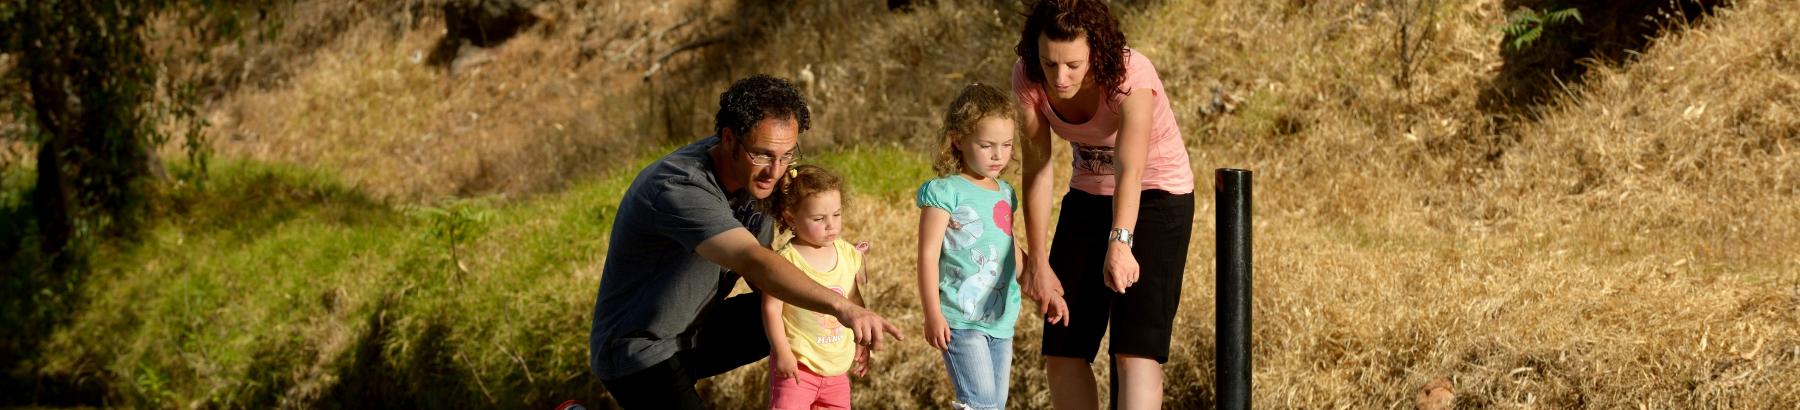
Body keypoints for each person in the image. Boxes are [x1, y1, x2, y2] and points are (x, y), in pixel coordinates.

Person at [588, 75, 903, 409]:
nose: (776, 170)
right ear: (728, 139)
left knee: (784, 309)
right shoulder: (679, 188)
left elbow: (767, 281)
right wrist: (843, 308)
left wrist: (842, 331)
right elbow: (753, 261)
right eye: (763, 155)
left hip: (694, 332)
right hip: (638, 350)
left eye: (786, 155)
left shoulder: (765, 179)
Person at [1011, 1, 1197, 409]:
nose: (1061, 78)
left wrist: (1121, 241)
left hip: (1157, 194)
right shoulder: (1028, 74)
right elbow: (1038, 168)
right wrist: (1039, 261)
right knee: (1062, 345)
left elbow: (1130, 169)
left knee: (1135, 348)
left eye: (1074, 65)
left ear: (1096, 51)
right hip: (1087, 195)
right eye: (1050, 63)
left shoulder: (1131, 74)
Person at [915, 83, 1068, 410]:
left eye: (1007, 145)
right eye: (986, 145)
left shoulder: (1005, 193)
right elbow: (927, 255)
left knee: (994, 405)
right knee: (980, 402)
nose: (998, 155)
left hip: (1001, 319)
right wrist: (932, 313)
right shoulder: (945, 192)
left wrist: (1043, 291)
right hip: (960, 317)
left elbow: (1007, 247)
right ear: (958, 140)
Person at [762, 165, 870, 410]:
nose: (831, 225)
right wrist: (782, 353)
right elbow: (771, 309)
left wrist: (861, 343)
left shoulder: (847, 254)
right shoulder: (784, 262)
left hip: (836, 369)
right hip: (798, 367)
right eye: (819, 219)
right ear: (791, 218)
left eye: (837, 215)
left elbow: (855, 302)